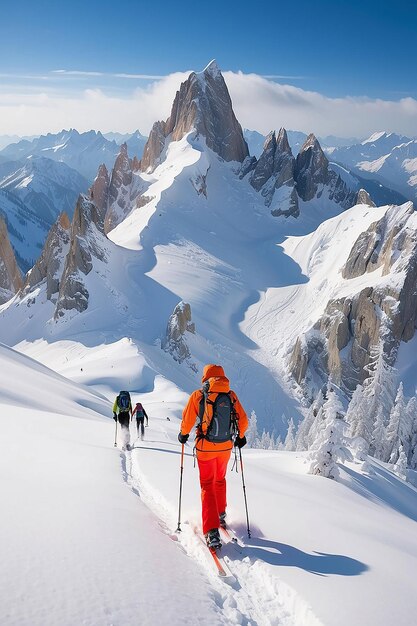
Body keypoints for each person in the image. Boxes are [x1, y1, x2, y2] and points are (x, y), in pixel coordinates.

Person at [178, 364, 248, 549]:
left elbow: (187, 420)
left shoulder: (199, 395)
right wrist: (240, 437)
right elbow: (243, 420)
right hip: (225, 447)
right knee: (220, 479)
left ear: (206, 378)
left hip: (205, 448)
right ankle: (221, 514)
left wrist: (183, 435)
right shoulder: (231, 395)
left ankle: (211, 531)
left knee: (207, 484)